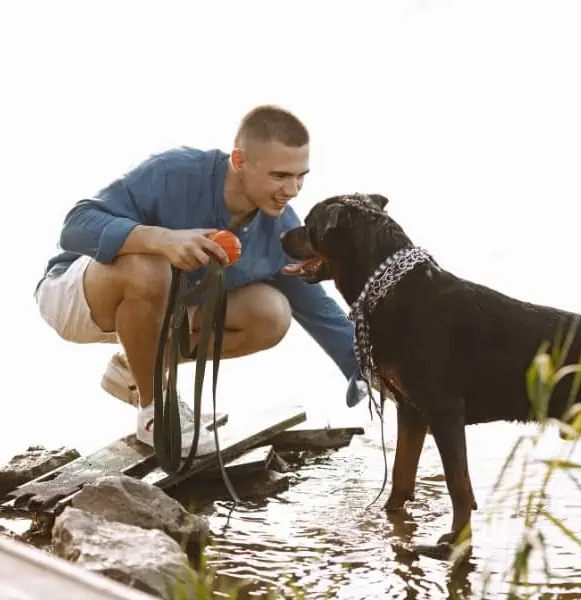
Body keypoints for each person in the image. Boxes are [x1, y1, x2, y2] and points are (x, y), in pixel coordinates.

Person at [33, 104, 364, 457]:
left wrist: (371, 371)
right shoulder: (175, 171)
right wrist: (163, 240)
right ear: (239, 161)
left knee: (272, 313)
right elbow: (76, 226)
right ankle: (155, 413)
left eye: (301, 176)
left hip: (156, 315)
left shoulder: (279, 227)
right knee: (152, 265)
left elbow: (318, 310)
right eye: (280, 176)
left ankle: (134, 368)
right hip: (76, 295)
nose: (293, 189)